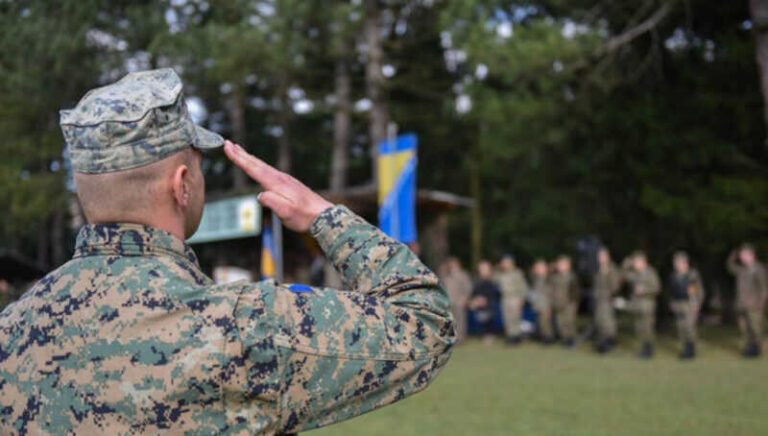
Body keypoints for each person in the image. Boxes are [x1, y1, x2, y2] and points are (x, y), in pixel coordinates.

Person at [0, 69, 455, 434]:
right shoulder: (242, 324)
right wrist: (322, 215)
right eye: (197, 168)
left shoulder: (10, 331)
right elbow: (425, 320)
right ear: (181, 185)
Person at [727, 243, 768, 358]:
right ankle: (749, 347)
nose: (742, 257)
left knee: (755, 328)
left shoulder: (758, 269)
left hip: (754, 305)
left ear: (752, 255)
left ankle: (756, 347)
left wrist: (760, 304)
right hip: (742, 304)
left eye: (744, 254)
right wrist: (732, 257)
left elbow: (764, 289)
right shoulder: (741, 270)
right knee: (744, 328)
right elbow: (730, 267)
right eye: (741, 255)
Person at [622, 251, 661, 359]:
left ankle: (649, 350)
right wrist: (625, 266)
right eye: (634, 262)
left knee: (648, 328)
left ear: (643, 262)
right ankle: (644, 349)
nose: (635, 264)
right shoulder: (635, 274)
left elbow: (657, 288)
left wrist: (645, 290)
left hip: (647, 305)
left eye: (636, 262)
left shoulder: (650, 272)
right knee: (639, 329)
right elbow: (625, 277)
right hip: (637, 305)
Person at [668, 251, 704, 359]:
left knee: (689, 327)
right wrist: (672, 303)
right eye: (676, 263)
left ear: (685, 263)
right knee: (681, 327)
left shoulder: (692, 275)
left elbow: (699, 290)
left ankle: (691, 348)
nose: (677, 265)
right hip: (678, 304)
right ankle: (685, 348)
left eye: (679, 262)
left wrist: (698, 303)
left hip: (690, 304)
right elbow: (672, 292)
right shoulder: (674, 276)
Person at [593, 247, 621, 353]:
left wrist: (607, 275)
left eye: (603, 256)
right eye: (599, 256)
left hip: (607, 299)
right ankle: (602, 343)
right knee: (599, 321)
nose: (601, 258)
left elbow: (615, 287)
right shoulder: (598, 269)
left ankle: (610, 342)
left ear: (608, 257)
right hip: (598, 299)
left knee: (608, 322)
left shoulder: (612, 269)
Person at [495, 255, 529, 344]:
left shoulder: (517, 273)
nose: (504, 264)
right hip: (505, 298)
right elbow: (494, 279)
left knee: (515, 318)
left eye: (506, 263)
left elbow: (523, 287)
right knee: (507, 318)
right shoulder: (501, 274)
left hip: (515, 297)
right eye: (503, 263)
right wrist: (497, 268)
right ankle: (510, 336)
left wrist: (521, 300)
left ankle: (517, 337)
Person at [549, 255, 580, 347]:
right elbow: (548, 281)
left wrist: (575, 303)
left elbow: (575, 291)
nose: (560, 266)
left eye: (563, 265)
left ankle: (572, 339)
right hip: (558, 303)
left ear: (568, 266)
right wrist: (551, 269)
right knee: (560, 322)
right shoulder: (555, 277)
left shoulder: (571, 277)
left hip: (568, 303)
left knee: (569, 322)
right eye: (559, 264)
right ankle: (565, 338)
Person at [440, 257, 473, 343]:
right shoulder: (447, 277)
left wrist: (465, 298)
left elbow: (468, 288)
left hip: (459, 301)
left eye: (453, 264)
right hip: (449, 302)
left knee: (460, 321)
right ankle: (451, 337)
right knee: (450, 321)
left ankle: (461, 338)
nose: (452, 266)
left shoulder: (463, 275)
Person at [469, 260, 501, 344]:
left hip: (490, 304)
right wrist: (475, 299)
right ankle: (485, 334)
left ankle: (490, 335)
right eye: (481, 268)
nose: (482, 270)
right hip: (480, 303)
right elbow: (474, 291)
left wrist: (484, 299)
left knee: (488, 317)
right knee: (482, 318)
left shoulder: (494, 279)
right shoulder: (477, 280)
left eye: (484, 268)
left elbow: (495, 292)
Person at [530, 259, 554, 344]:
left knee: (546, 323)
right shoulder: (537, 279)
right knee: (541, 322)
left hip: (546, 304)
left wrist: (550, 306)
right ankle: (543, 337)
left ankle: (548, 338)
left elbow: (551, 294)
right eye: (537, 268)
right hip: (538, 304)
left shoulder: (549, 279)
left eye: (541, 268)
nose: (539, 270)